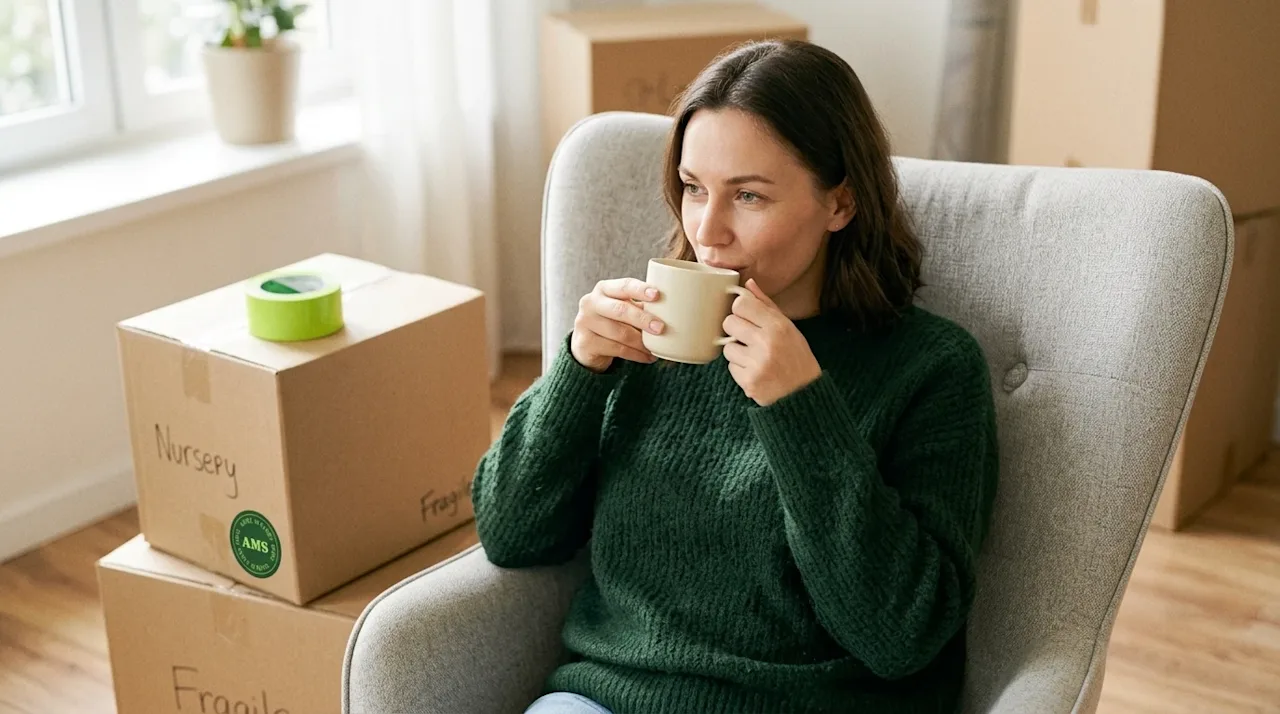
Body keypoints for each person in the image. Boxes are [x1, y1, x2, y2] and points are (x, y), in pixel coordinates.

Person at [472, 38, 999, 714]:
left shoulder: (932, 369)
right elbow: (511, 534)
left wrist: (801, 408)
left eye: (748, 195)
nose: (707, 231)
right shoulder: (645, 338)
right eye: (694, 189)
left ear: (840, 203)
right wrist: (579, 370)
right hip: (607, 700)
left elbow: (899, 635)